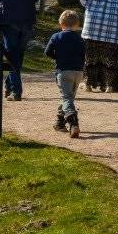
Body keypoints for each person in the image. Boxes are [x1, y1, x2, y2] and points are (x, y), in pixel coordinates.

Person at [44, 9, 86, 138]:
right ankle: (60, 122)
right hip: (78, 72)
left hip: (63, 71)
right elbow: (83, 54)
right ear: (77, 25)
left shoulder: (56, 36)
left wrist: (58, 57)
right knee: (69, 98)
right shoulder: (80, 38)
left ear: (61, 23)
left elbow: (47, 52)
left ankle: (74, 124)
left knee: (67, 98)